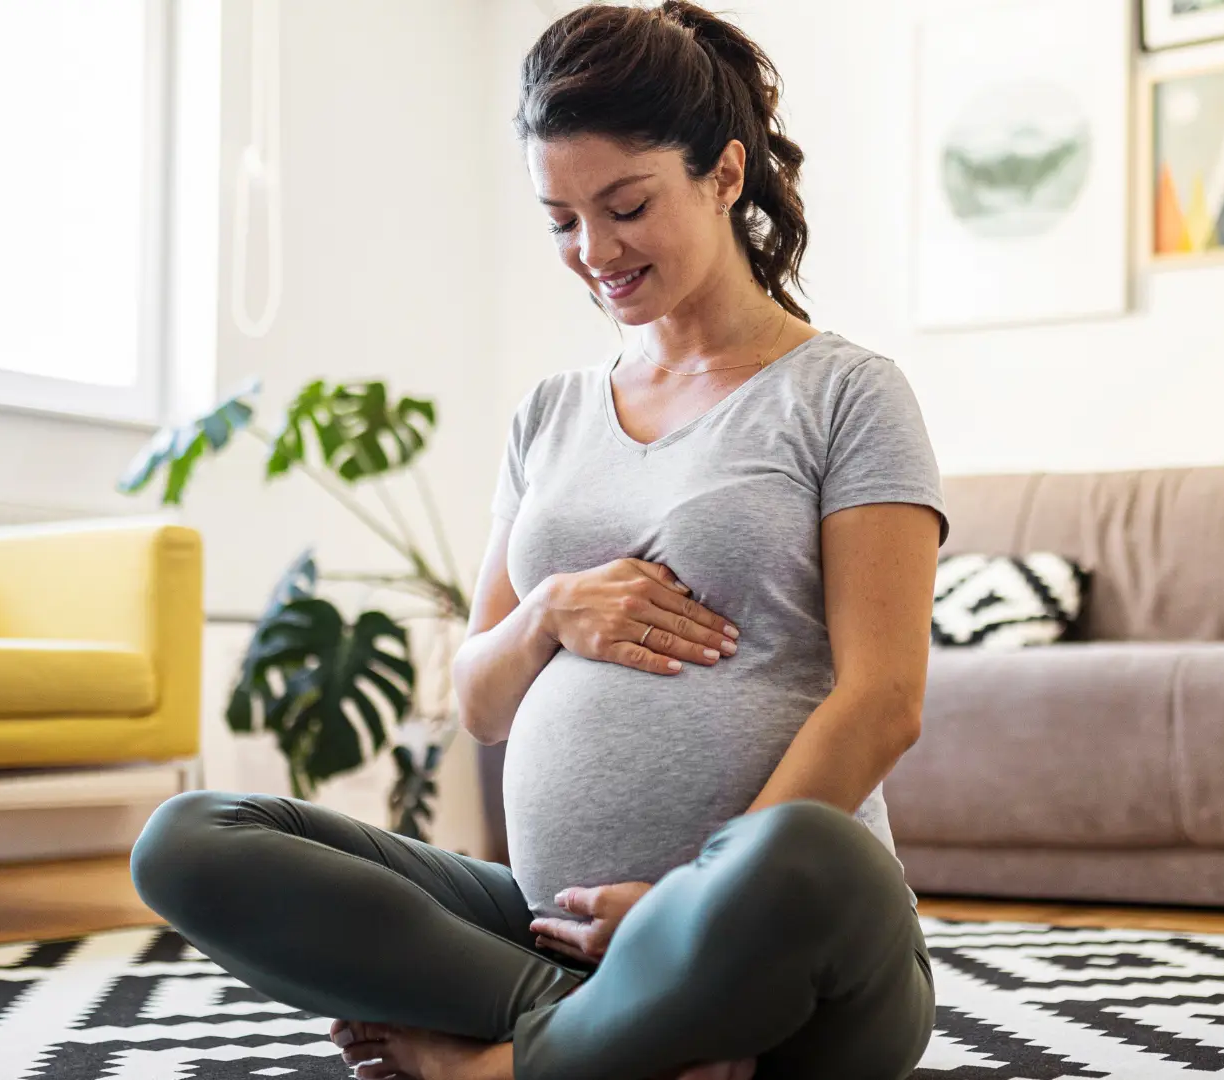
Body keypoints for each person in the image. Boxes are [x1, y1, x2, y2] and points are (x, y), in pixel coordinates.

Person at [129, 4, 951, 1078]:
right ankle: (611, 1032)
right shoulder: (551, 413)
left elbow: (885, 701)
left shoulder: (847, 395)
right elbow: (479, 697)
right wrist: (551, 610)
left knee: (814, 861)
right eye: (560, 220)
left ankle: (494, 1065)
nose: (594, 252)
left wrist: (682, 907)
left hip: (781, 944)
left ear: (725, 174)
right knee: (191, 840)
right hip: (545, 925)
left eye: (625, 207)